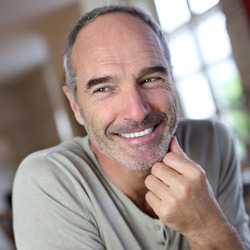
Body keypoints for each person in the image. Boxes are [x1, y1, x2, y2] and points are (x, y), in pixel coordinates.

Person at [12, 5, 250, 250]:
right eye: (103, 89)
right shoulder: (48, 182)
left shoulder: (214, 141)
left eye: (150, 79)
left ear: (171, 78)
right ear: (75, 106)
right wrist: (208, 233)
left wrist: (204, 227)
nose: (137, 111)